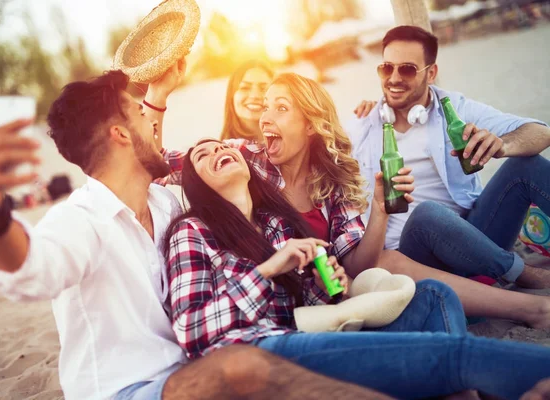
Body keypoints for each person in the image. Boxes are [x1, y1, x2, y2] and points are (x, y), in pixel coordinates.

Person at [0, 67, 395, 400]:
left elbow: (208, 182)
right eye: (139, 115)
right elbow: (29, 268)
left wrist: (158, 94)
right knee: (244, 366)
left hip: (191, 369)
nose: (154, 127)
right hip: (131, 389)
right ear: (119, 134)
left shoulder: (166, 205)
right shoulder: (79, 220)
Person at [159, 71, 550, 328]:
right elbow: (163, 162)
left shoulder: (333, 181)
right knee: (393, 261)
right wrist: (155, 98)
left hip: (335, 285)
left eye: (281, 108)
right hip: (281, 300)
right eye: (265, 108)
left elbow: (357, 264)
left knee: (394, 251)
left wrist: (379, 211)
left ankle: (522, 301)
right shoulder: (247, 159)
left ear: (310, 124)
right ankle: (525, 299)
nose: (265, 117)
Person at [165, 139, 550, 400]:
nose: (216, 150)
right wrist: (269, 268)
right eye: (202, 156)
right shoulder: (192, 230)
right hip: (259, 352)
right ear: (196, 184)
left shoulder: (274, 224)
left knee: (435, 296)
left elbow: (304, 310)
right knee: (456, 355)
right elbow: (193, 331)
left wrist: (322, 284)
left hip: (301, 334)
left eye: (219, 145)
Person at [344, 25, 550, 327]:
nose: (394, 78)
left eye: (408, 69)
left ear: (431, 72)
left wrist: (503, 145)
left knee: (525, 167)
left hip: (475, 238)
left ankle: (501, 271)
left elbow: (540, 132)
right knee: (427, 215)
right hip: (412, 258)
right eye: (386, 67)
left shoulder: (455, 108)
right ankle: (524, 274)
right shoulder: (361, 124)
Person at [220, 60, 274, 142]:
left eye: (264, 89)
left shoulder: (294, 146)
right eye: (245, 88)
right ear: (231, 96)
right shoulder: (219, 152)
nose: (255, 96)